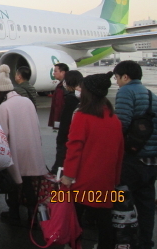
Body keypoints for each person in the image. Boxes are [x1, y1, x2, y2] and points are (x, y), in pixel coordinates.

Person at [61, 72, 124, 249]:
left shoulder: (82, 116)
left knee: (75, 221)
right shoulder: (114, 118)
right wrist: (115, 179)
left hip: (83, 180)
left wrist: (68, 175)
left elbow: (74, 149)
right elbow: (119, 153)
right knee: (105, 223)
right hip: (106, 181)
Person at [0, 65, 47, 223]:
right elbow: (37, 125)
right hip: (32, 149)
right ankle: (32, 215)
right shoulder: (26, 102)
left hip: (15, 151)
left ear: (0, 91)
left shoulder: (4, 107)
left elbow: (2, 135)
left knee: (14, 185)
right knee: (30, 183)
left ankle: (14, 214)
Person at [113, 60, 157, 249]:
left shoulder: (126, 91)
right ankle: (146, 242)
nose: (117, 83)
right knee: (146, 205)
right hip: (151, 160)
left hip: (132, 159)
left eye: (117, 78)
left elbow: (121, 124)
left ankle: (123, 240)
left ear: (125, 76)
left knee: (121, 200)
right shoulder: (151, 95)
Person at [51, 70, 83, 175]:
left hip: (67, 137)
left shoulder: (71, 99)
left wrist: (60, 138)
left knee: (62, 162)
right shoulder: (84, 98)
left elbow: (65, 122)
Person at [48, 63, 69, 128]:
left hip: (64, 120)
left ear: (62, 72)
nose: (53, 73)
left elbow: (60, 105)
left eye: (55, 71)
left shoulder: (66, 86)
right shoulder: (61, 85)